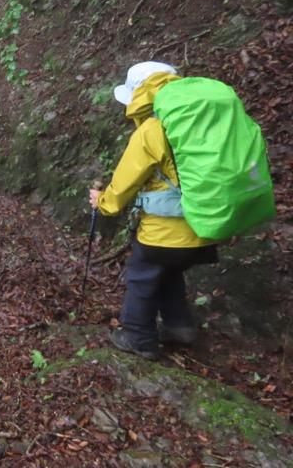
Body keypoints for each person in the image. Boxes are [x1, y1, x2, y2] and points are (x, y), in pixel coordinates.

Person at [88, 61, 218, 361]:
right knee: (170, 271)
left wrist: (103, 202)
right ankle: (179, 327)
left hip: (165, 229)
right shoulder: (200, 119)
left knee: (140, 277)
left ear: (140, 95)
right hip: (206, 224)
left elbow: (123, 185)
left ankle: (138, 337)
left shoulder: (152, 130)